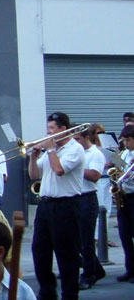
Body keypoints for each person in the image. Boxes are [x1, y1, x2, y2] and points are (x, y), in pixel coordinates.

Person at [28, 111, 85, 300]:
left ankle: (70, 294)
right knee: (40, 250)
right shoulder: (51, 151)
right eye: (48, 128)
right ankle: (47, 291)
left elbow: (59, 170)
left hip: (66, 205)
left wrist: (50, 149)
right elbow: (34, 176)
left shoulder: (74, 149)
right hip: (45, 204)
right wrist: (33, 157)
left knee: (66, 252)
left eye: (52, 129)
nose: (48, 132)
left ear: (63, 130)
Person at [73, 125, 106, 289]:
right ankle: (96, 269)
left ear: (87, 138)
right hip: (74, 197)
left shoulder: (95, 154)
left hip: (88, 198)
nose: (75, 142)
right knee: (76, 240)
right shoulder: (73, 152)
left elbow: (94, 176)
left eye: (78, 139)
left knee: (86, 240)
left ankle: (88, 275)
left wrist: (76, 166)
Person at [116, 123, 134, 283]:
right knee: (125, 235)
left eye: (128, 140)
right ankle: (130, 268)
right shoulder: (124, 154)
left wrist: (125, 175)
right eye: (124, 140)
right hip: (124, 197)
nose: (126, 144)